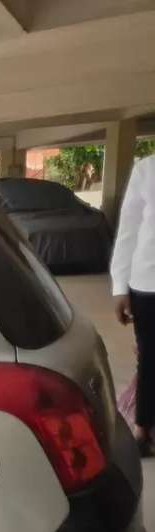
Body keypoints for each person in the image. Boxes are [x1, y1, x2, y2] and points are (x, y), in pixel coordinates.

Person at [111, 153, 155, 453]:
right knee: (150, 358)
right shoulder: (147, 168)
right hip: (148, 281)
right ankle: (143, 428)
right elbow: (128, 229)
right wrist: (120, 285)